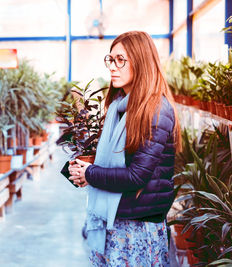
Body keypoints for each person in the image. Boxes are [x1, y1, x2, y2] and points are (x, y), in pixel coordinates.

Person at [68, 31, 181, 267]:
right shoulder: (118, 109)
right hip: (117, 221)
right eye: (111, 59)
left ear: (141, 61)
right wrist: (84, 171)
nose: (113, 67)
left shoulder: (156, 111)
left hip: (138, 227)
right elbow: (114, 162)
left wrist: (90, 173)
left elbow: (136, 176)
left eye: (121, 60)